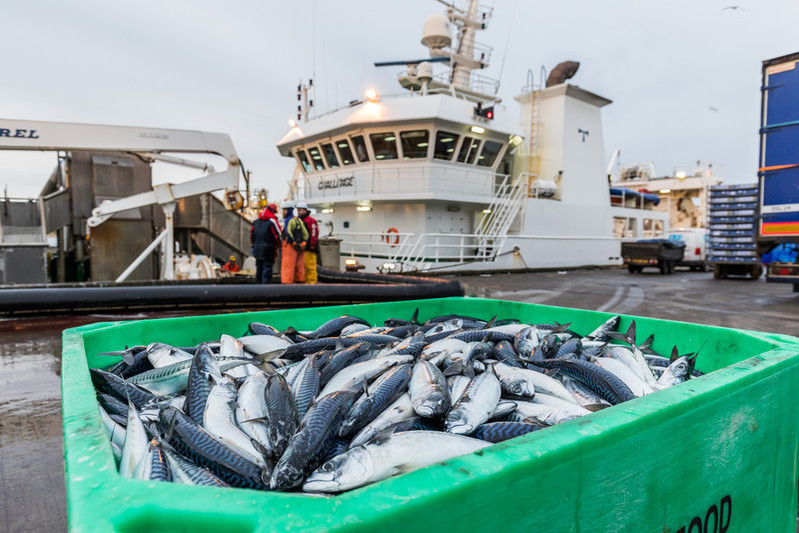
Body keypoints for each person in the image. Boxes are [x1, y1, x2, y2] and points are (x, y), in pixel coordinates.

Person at [250, 203, 281, 283]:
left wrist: (253, 246)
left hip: (257, 250)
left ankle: (258, 291)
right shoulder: (272, 221)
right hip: (269, 251)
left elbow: (252, 235)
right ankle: (265, 291)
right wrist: (280, 246)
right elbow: (278, 235)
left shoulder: (256, 222)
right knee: (266, 272)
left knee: (259, 271)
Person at [280, 200, 309, 283]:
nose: (283, 212)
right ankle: (300, 283)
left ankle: (287, 285)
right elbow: (306, 234)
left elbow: (288, 232)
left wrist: (293, 243)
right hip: (301, 246)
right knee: (300, 267)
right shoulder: (298, 220)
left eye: (284, 210)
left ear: (288, 210)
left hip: (290, 247)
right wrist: (303, 243)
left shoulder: (288, 220)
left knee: (288, 267)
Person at [296, 202, 319, 284]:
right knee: (303, 267)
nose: (299, 212)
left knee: (310, 267)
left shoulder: (310, 220)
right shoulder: (299, 220)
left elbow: (314, 233)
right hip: (301, 248)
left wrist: (312, 245)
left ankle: (312, 283)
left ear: (305, 210)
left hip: (309, 248)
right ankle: (306, 283)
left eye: (300, 210)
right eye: (298, 210)